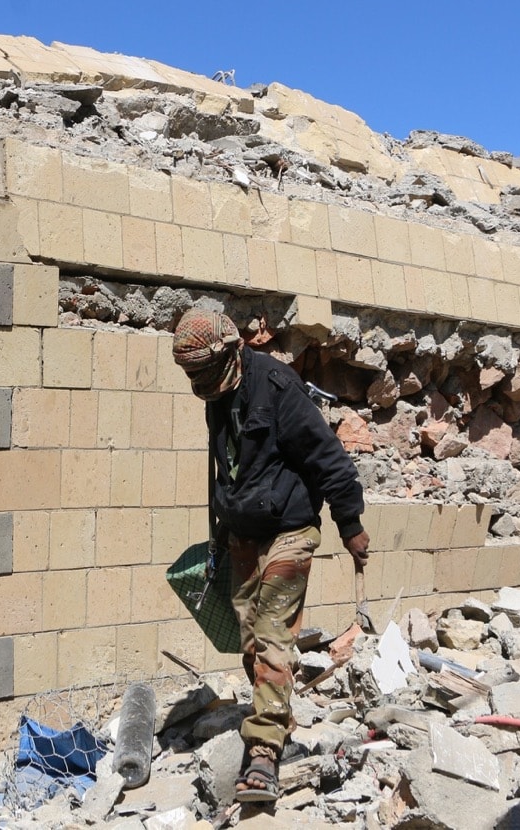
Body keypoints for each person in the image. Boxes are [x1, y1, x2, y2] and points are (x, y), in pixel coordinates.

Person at [171, 308, 370, 803]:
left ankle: (263, 754)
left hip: (290, 528)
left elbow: (329, 458)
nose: (199, 383)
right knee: (249, 637)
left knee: (272, 630)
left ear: (232, 351)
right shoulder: (217, 394)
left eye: (203, 372)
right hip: (242, 532)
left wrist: (351, 525)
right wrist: (221, 529)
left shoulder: (278, 387)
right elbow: (230, 466)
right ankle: (278, 714)